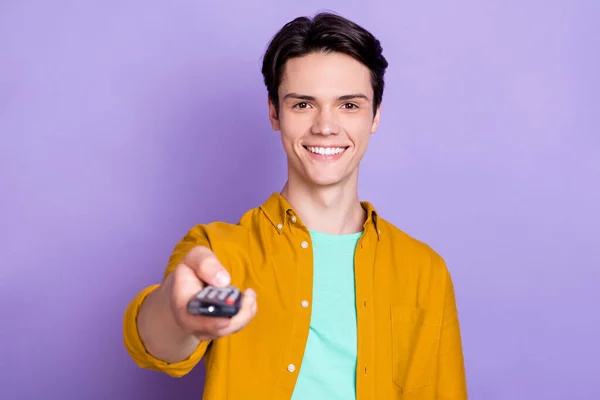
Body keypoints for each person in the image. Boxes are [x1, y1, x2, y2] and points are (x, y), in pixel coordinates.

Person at [123, 11, 468, 400]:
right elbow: (156, 346)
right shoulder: (217, 253)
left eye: (349, 105)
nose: (325, 126)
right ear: (275, 112)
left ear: (376, 115)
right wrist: (178, 315)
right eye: (303, 104)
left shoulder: (425, 271)